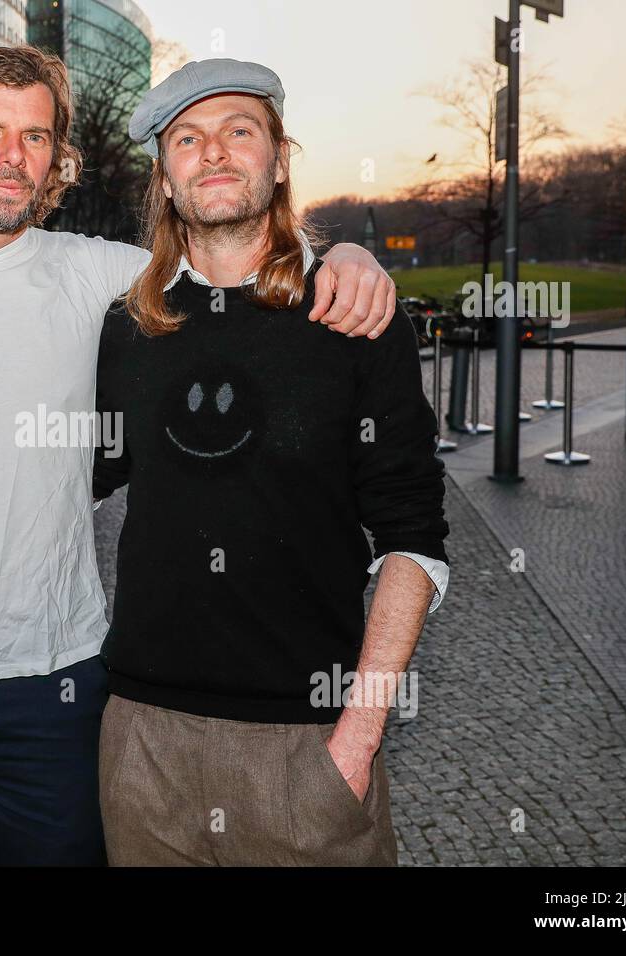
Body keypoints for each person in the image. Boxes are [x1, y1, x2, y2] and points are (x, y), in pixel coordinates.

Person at [0, 45, 398, 866]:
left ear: (55, 159)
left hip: (52, 687)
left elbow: (238, 248)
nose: (13, 156)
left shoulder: (99, 278)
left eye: (36, 137)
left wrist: (352, 262)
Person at [93, 58, 451, 866]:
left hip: (308, 741)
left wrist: (355, 741)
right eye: (187, 138)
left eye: (238, 131)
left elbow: (414, 537)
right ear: (165, 174)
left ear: (280, 158)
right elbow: (68, 482)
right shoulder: (129, 327)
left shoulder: (350, 314)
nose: (213, 152)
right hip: (142, 741)